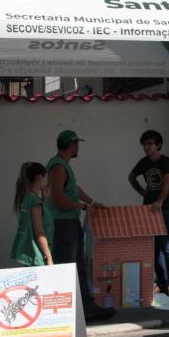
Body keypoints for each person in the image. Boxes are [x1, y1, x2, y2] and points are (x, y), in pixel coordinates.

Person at [46, 129, 115, 321]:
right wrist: (84, 206)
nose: (78, 148)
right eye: (77, 144)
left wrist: (92, 203)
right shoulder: (58, 167)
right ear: (71, 145)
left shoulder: (63, 166)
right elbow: (58, 198)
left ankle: (86, 306)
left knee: (78, 265)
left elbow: (73, 188)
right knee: (69, 266)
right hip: (63, 224)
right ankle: (74, 310)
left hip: (69, 223)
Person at [128, 129, 169, 297]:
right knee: (153, 248)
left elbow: (167, 181)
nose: (146, 147)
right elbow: (131, 177)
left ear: (158, 145)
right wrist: (142, 192)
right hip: (148, 210)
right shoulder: (143, 163)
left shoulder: (166, 162)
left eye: (150, 143)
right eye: (144, 144)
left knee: (167, 246)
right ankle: (161, 283)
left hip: (164, 210)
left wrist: (160, 201)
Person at [10, 162, 54, 267]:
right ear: (40, 177)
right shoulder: (34, 202)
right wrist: (48, 257)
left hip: (33, 255)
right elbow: (39, 232)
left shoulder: (29, 198)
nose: (46, 181)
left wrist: (44, 198)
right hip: (37, 256)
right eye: (45, 178)